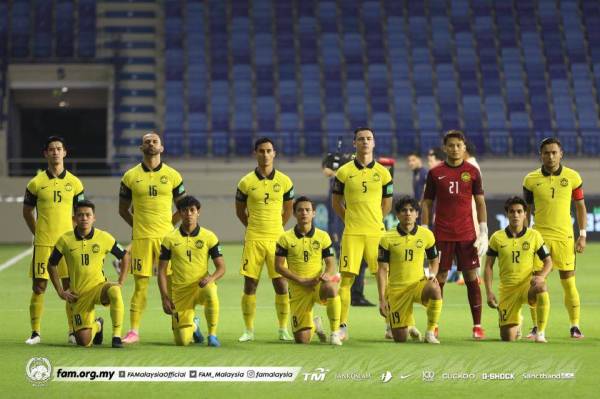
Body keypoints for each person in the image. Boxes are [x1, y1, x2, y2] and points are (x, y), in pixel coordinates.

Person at [118, 132, 186, 343]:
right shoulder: (130, 176)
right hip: (142, 240)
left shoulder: (173, 175)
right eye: (146, 142)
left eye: (154, 141)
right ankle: (134, 331)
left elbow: (183, 207)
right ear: (141, 148)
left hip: (167, 239)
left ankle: (182, 323)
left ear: (161, 148)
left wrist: (168, 227)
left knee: (175, 284)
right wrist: (139, 227)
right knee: (141, 285)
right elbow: (123, 209)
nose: (150, 144)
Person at [421, 130, 488, 339]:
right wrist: (424, 228)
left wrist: (484, 229)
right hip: (442, 233)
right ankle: (434, 324)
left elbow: (479, 201)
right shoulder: (435, 172)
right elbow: (427, 202)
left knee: (471, 277)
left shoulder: (472, 171)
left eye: (459, 145)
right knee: (439, 277)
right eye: (451, 145)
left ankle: (477, 325)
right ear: (445, 148)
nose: (455, 149)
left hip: (467, 233)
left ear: (464, 147)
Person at [332, 127, 393, 340]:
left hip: (376, 234)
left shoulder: (384, 173)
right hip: (352, 234)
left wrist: (376, 220)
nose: (365, 142)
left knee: (383, 277)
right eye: (361, 139)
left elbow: (387, 203)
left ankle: (389, 326)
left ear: (374, 143)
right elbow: (336, 202)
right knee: (346, 280)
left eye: (369, 139)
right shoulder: (343, 172)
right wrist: (349, 219)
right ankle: (342, 327)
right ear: (354, 143)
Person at [23, 136, 85, 345]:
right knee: (39, 287)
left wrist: (77, 238)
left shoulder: (75, 183)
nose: (55, 152)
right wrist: (39, 232)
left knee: (69, 287)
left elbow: (81, 213)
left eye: (59, 149)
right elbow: (27, 212)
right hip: (44, 244)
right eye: (51, 149)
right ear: (46, 154)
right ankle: (35, 332)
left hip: (67, 245)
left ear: (65, 153)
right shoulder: (36, 183)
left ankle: (71, 331)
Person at [522, 137, 587, 339]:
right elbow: (527, 210)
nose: (550, 156)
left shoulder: (573, 177)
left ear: (561, 154)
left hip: (564, 238)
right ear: (540, 155)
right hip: (539, 239)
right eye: (546, 153)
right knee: (536, 282)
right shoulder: (530, 180)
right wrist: (525, 236)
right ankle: (535, 327)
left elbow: (580, 207)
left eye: (554, 152)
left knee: (568, 283)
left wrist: (582, 235)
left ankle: (574, 326)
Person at [235, 137, 295, 342]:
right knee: (250, 284)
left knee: (281, 285)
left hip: (277, 239)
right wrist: (253, 227)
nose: (265, 154)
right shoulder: (245, 182)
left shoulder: (285, 181)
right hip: (253, 239)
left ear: (274, 153)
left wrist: (277, 228)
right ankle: (248, 330)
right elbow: (239, 212)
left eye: (269, 151)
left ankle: (282, 329)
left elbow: (288, 210)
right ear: (255, 153)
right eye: (261, 151)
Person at [47, 200, 128, 348]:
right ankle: (98, 325)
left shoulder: (104, 237)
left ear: (93, 218)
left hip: (99, 288)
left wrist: (121, 281)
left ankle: (116, 336)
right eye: (80, 215)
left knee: (115, 290)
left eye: (87, 215)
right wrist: (60, 290)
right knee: (84, 342)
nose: (84, 218)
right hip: (78, 295)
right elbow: (51, 264)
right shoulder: (65, 240)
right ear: (74, 218)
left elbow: (125, 256)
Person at [158, 196, 225, 347]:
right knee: (182, 341)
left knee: (211, 291)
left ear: (198, 212)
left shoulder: (209, 237)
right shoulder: (169, 239)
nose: (189, 214)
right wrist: (164, 297)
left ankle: (212, 335)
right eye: (185, 210)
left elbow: (221, 267)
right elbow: (161, 271)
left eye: (192, 210)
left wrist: (211, 278)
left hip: (201, 286)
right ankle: (193, 326)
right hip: (180, 292)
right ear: (180, 213)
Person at [274, 196, 342, 345]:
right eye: (300, 210)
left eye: (307, 210)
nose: (304, 213)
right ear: (294, 214)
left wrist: (327, 274)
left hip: (317, 284)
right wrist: (301, 280)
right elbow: (278, 266)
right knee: (302, 340)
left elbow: (331, 263)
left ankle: (335, 333)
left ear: (314, 213)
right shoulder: (285, 238)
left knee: (331, 287)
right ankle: (315, 325)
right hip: (298, 289)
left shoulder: (323, 236)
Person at [484, 196, 552, 342]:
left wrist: (541, 276)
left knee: (541, 287)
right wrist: (489, 292)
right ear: (507, 214)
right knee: (507, 338)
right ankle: (517, 321)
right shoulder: (497, 237)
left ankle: (540, 333)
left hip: (527, 286)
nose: (516, 215)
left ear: (525, 214)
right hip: (507, 290)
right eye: (512, 211)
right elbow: (488, 266)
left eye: (519, 211)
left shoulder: (534, 235)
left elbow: (548, 261)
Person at [377, 196, 442, 344]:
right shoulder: (387, 238)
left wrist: (432, 274)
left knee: (435, 289)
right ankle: (406, 323)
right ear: (398, 215)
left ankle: (430, 331)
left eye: (411, 210)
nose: (408, 213)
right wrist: (382, 298)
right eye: (403, 210)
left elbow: (434, 260)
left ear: (417, 214)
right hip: (397, 290)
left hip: (418, 285)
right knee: (400, 338)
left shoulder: (426, 235)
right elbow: (382, 269)